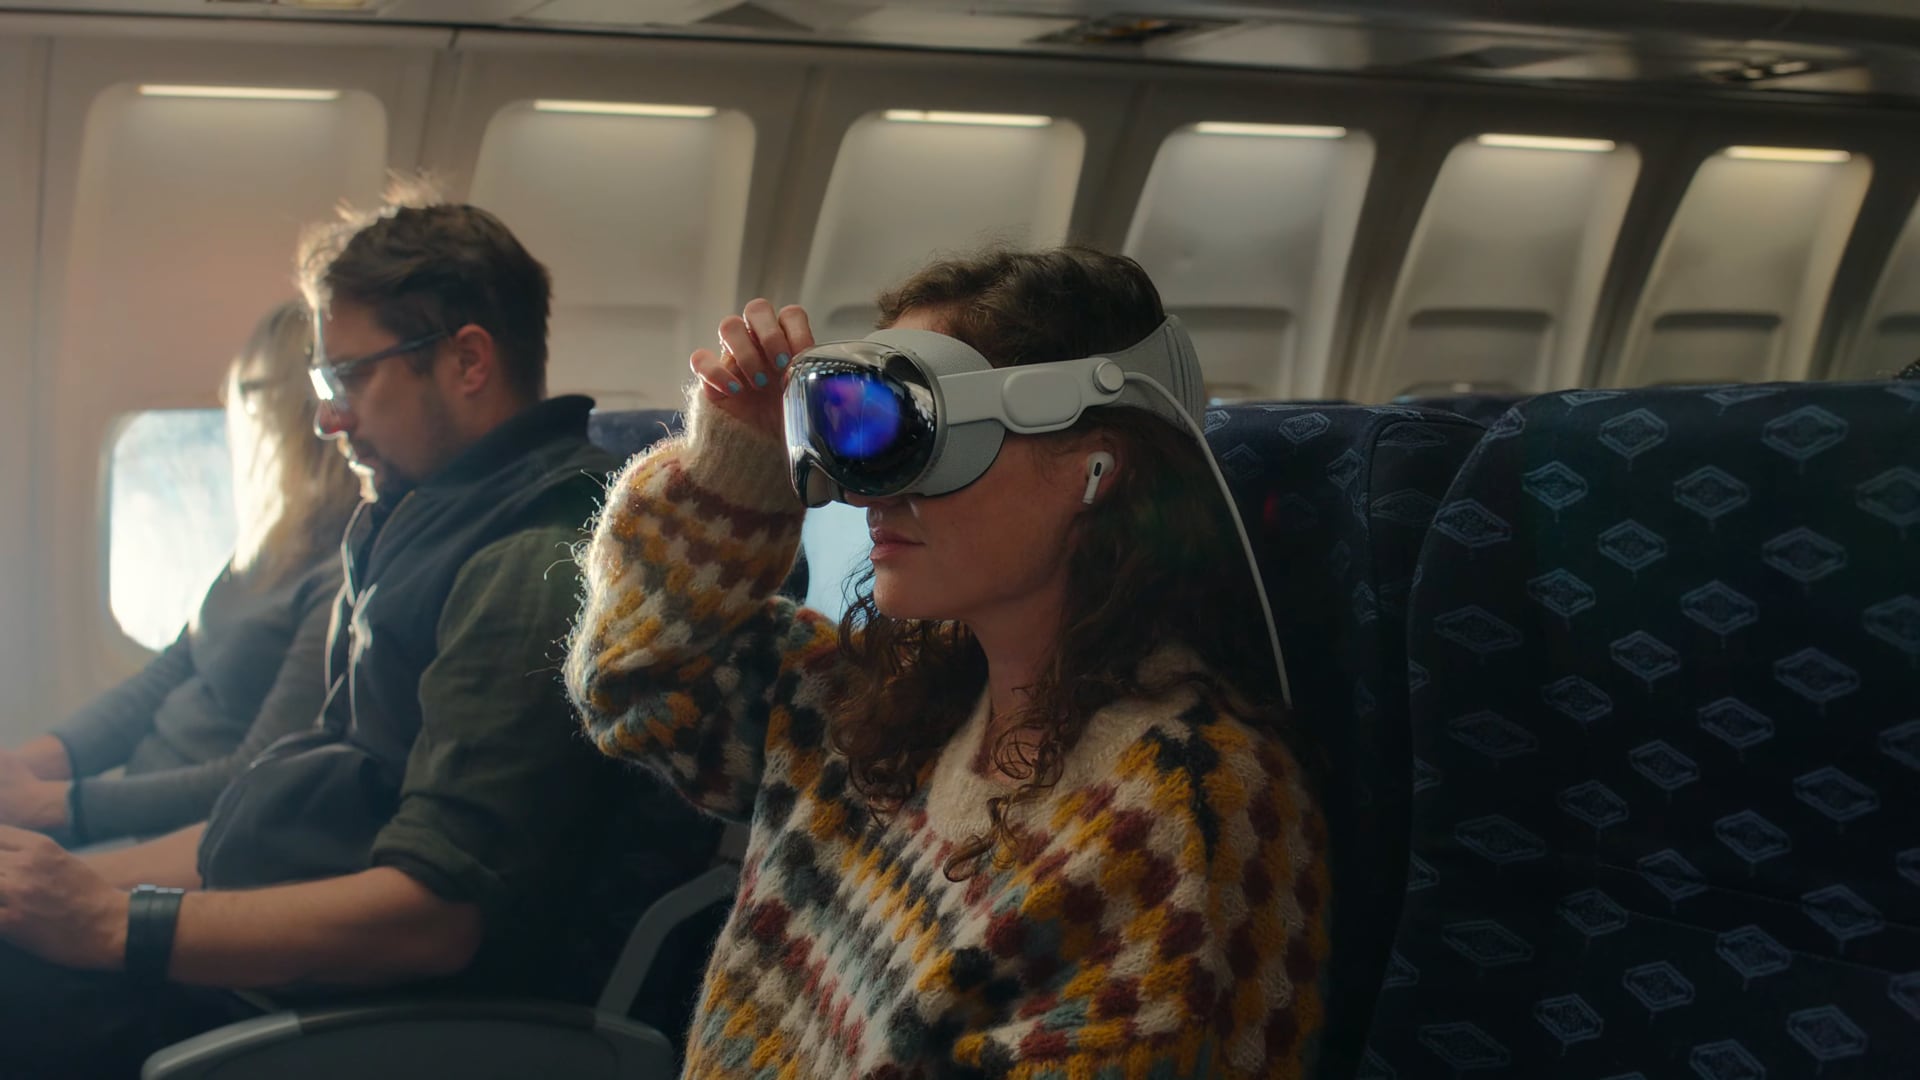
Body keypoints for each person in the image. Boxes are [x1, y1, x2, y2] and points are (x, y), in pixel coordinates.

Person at [0, 183, 716, 1077]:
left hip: (388, 1010)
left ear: (466, 361)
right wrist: (68, 881)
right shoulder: (416, 525)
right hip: (296, 953)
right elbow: (298, 807)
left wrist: (113, 924)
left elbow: (433, 917)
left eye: (350, 377)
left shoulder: (533, 559)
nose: (329, 417)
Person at [567, 247, 1330, 1077]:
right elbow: (641, 686)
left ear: (1097, 467)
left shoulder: (1185, 811)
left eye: (921, 442)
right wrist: (740, 463)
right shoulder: (879, 706)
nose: (864, 495)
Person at [0, 301, 358, 846]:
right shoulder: (269, 547)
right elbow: (163, 679)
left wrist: (58, 807)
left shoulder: (335, 577)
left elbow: (254, 774)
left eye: (247, 393)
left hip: (183, 839)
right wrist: (28, 768)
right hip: (129, 813)